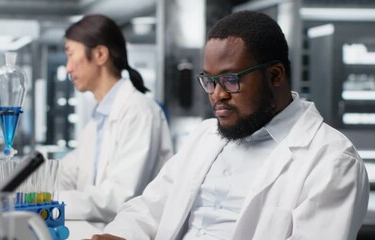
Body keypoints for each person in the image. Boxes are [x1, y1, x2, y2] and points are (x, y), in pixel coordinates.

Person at [91, 11, 369, 240]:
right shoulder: (205, 136)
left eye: (231, 80)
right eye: (210, 81)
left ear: (275, 76)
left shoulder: (332, 161)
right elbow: (149, 208)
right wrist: (118, 235)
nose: (217, 94)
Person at [57, 14, 173, 223]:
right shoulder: (98, 121)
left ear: (100, 54)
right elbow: (67, 175)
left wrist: (52, 203)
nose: (68, 67)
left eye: (71, 55)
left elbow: (117, 198)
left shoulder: (139, 112)